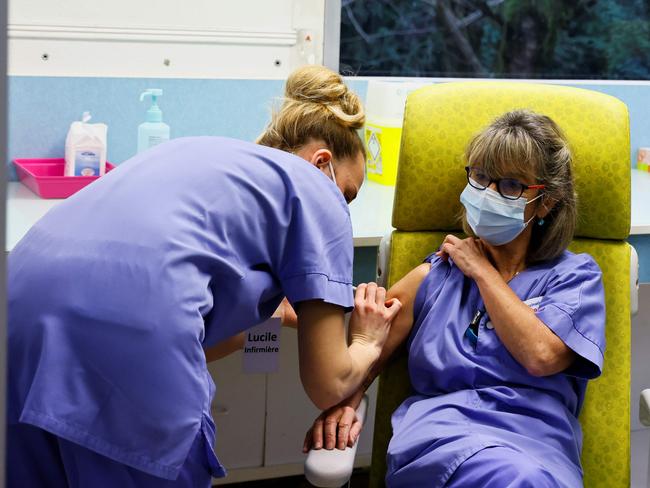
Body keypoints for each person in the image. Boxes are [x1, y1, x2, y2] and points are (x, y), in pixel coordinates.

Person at [7, 65, 401, 488]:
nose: (343, 208)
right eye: (347, 193)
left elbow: (190, 330)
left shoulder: (205, 153)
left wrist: (273, 318)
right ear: (321, 162)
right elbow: (329, 384)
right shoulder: (315, 190)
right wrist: (366, 341)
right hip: (125, 338)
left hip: (18, 312)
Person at [304, 110, 606, 487]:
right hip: (443, 442)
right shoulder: (437, 274)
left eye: (511, 185)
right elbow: (368, 351)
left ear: (545, 203)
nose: (488, 193)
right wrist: (350, 400)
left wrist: (481, 271)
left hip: (537, 449)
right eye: (480, 176)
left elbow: (541, 356)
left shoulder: (574, 278)